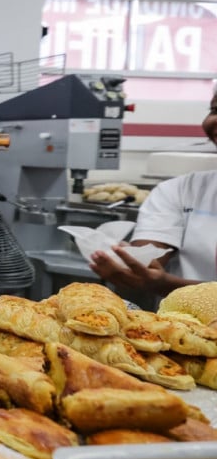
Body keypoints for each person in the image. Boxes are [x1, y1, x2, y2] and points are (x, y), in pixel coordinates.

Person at [90, 88, 217, 302]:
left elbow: (159, 281)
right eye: (214, 109)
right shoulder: (180, 190)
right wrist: (132, 264)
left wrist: (167, 284)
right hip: (178, 331)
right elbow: (147, 264)